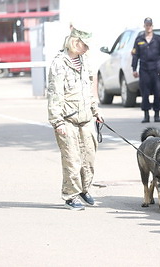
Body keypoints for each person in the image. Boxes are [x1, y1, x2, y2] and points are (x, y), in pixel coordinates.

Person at [47, 26, 103, 211]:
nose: (87, 49)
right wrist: (57, 122)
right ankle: (71, 195)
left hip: (86, 117)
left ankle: (84, 189)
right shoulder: (59, 63)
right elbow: (55, 95)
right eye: (84, 45)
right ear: (75, 42)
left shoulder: (84, 60)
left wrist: (96, 110)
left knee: (89, 157)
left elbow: (89, 88)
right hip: (67, 119)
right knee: (72, 159)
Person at [132, 17, 160, 123]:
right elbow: (135, 55)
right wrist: (134, 68)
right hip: (144, 69)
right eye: (147, 25)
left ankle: (157, 115)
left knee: (157, 92)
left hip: (156, 69)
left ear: (152, 26)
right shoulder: (139, 40)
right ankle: (146, 115)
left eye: (150, 25)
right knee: (145, 93)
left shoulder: (158, 38)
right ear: (144, 26)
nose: (148, 27)